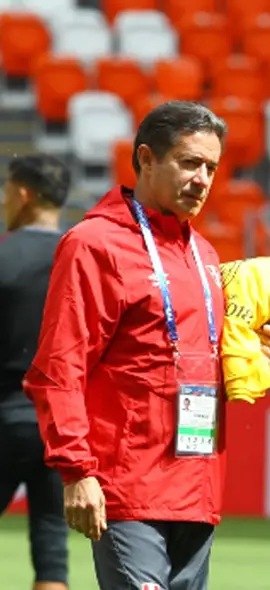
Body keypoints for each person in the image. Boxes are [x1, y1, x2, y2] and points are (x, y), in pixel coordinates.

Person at [22, 101, 270, 590]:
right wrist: (77, 471)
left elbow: (184, 369)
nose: (203, 179)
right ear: (145, 159)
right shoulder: (94, 245)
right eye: (189, 163)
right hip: (127, 485)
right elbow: (59, 368)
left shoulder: (204, 254)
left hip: (198, 486)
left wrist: (256, 362)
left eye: (211, 167)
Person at [0, 155, 72, 590]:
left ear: (23, 194)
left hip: (4, 413)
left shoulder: (4, 257)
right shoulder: (82, 259)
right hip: (59, 424)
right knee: (51, 547)